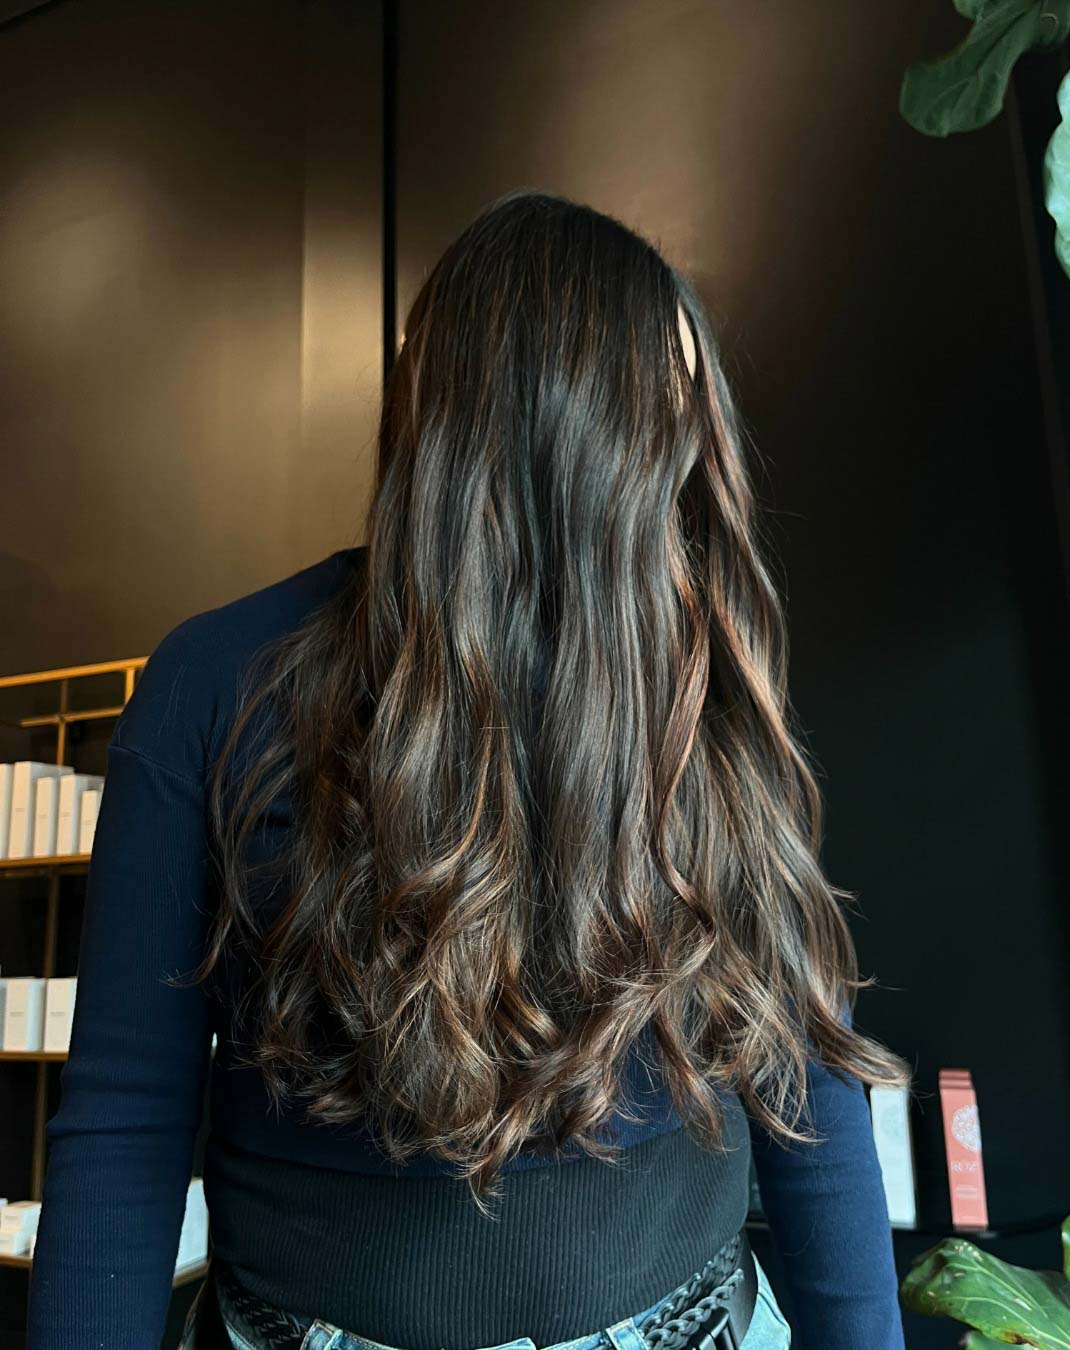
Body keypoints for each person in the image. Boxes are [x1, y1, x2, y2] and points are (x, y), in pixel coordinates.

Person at [26, 190, 909, 1350]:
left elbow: (802, 1080)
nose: (699, 448)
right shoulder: (215, 686)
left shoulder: (704, 679)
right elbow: (125, 1128)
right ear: (576, 423)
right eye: (672, 403)